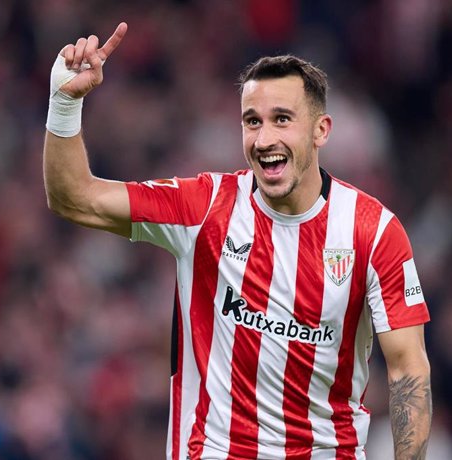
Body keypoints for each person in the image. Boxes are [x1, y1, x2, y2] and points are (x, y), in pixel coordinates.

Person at [43, 22, 432, 460]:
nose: (265, 139)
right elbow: (74, 198)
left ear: (321, 130)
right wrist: (65, 101)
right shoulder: (205, 206)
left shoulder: (374, 232)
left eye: (282, 120)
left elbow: (407, 370)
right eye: (252, 122)